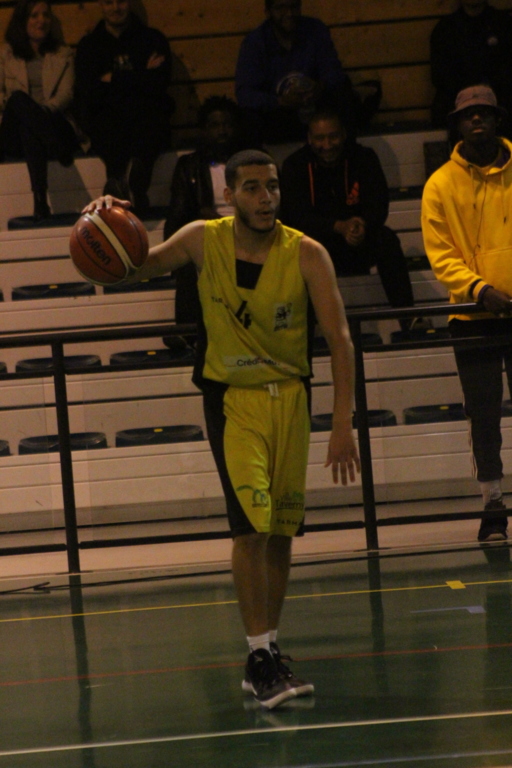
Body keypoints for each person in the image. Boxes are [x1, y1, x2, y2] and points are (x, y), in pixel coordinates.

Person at [84, 149, 360, 709]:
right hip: (233, 400)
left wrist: (342, 423)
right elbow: (134, 265)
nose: (266, 197)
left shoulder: (307, 253)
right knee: (250, 529)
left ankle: (268, 650)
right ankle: (257, 654)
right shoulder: (200, 239)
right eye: (252, 188)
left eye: (272, 186)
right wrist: (107, 220)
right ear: (229, 195)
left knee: (280, 530)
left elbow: (341, 341)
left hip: (292, 398)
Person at [421, 84, 512, 542]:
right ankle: (493, 505)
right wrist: (480, 290)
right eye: (468, 114)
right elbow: (440, 254)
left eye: (484, 112)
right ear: (457, 124)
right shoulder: (439, 184)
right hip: (472, 317)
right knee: (483, 415)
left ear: (497, 119)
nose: (476, 119)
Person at [280, 108, 415, 314]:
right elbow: (296, 217)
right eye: (320, 138)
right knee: (295, 248)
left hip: (356, 242)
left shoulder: (364, 157)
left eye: (333, 137)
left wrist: (361, 224)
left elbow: (379, 205)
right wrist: (338, 226)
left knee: (386, 239)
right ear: (309, 139)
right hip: (316, 247)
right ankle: (303, 328)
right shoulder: (295, 165)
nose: (327, 145)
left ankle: (409, 318)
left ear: (343, 134)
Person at [74, 0, 173, 217]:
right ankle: (129, 193)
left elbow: (159, 84)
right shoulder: (89, 45)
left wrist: (112, 79)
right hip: (107, 123)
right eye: (109, 2)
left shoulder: (152, 39)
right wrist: (141, 74)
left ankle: (123, 191)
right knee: (111, 123)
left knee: (148, 117)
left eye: (121, 1)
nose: (116, 8)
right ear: (101, 5)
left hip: (146, 119)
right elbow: (89, 92)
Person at [164, 96, 246, 324]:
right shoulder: (189, 166)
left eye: (227, 124)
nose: (222, 131)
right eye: (215, 125)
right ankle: (190, 332)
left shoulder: (251, 162)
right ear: (204, 130)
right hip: (208, 237)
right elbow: (178, 214)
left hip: (247, 233)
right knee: (189, 261)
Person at [235, 0, 356, 144]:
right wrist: (280, 101)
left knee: (344, 93)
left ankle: (346, 153)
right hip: (277, 115)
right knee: (248, 117)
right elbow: (245, 94)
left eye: (294, 6)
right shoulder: (255, 42)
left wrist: (318, 88)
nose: (289, 13)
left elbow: (334, 73)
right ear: (268, 12)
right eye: (281, 7)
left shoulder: (315, 30)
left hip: (316, 106)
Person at [0, 0, 79, 220]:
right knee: (18, 99)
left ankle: (40, 201)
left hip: (52, 119)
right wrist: (21, 107)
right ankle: (52, 142)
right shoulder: (6, 54)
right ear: (22, 21)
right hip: (15, 130)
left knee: (30, 128)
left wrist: (39, 113)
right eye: (34, 15)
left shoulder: (62, 53)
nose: (41, 20)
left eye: (45, 15)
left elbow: (66, 94)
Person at [430, 0, 512, 136]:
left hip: (500, 109)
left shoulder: (504, 24)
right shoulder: (445, 29)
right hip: (459, 110)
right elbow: (440, 78)